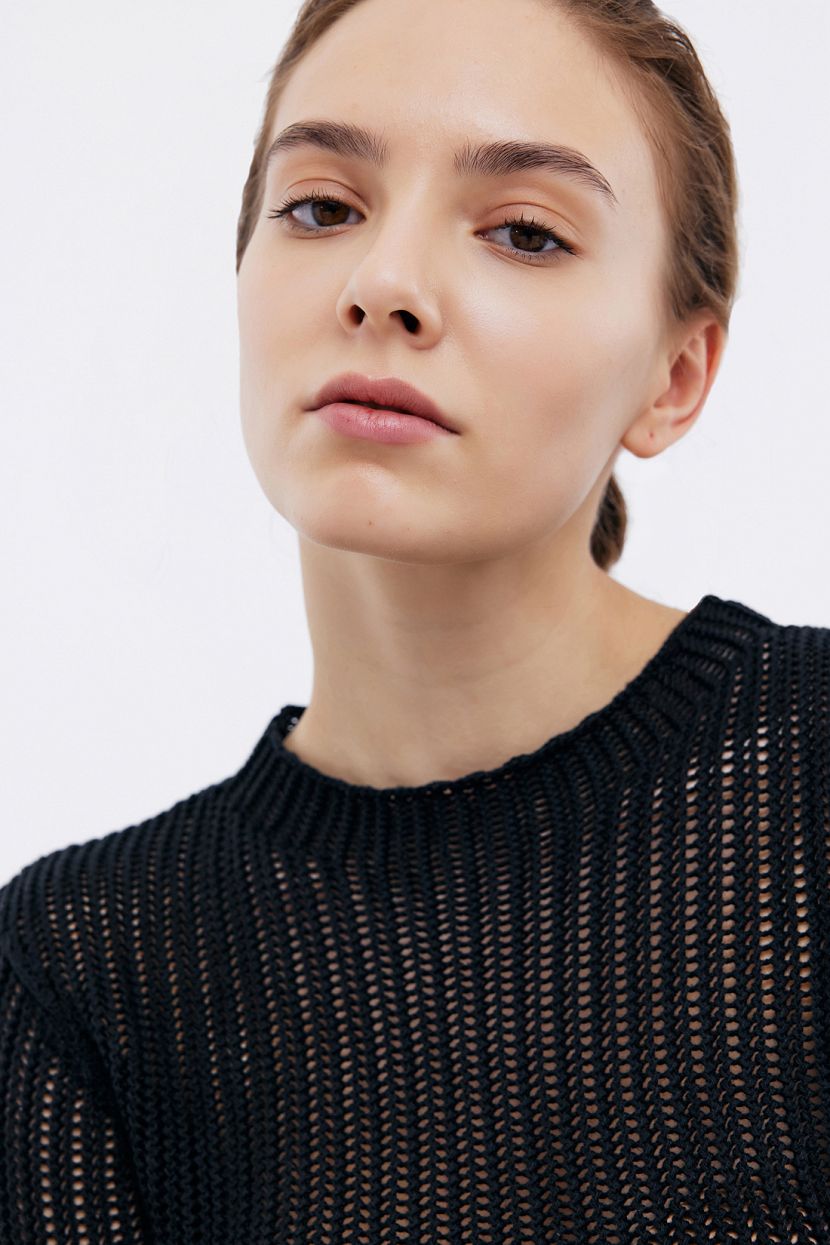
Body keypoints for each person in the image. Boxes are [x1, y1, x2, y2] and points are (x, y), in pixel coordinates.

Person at [2, 0, 829, 1240]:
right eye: (320, 209)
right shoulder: (83, 967)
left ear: (674, 377)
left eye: (524, 233)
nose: (381, 284)